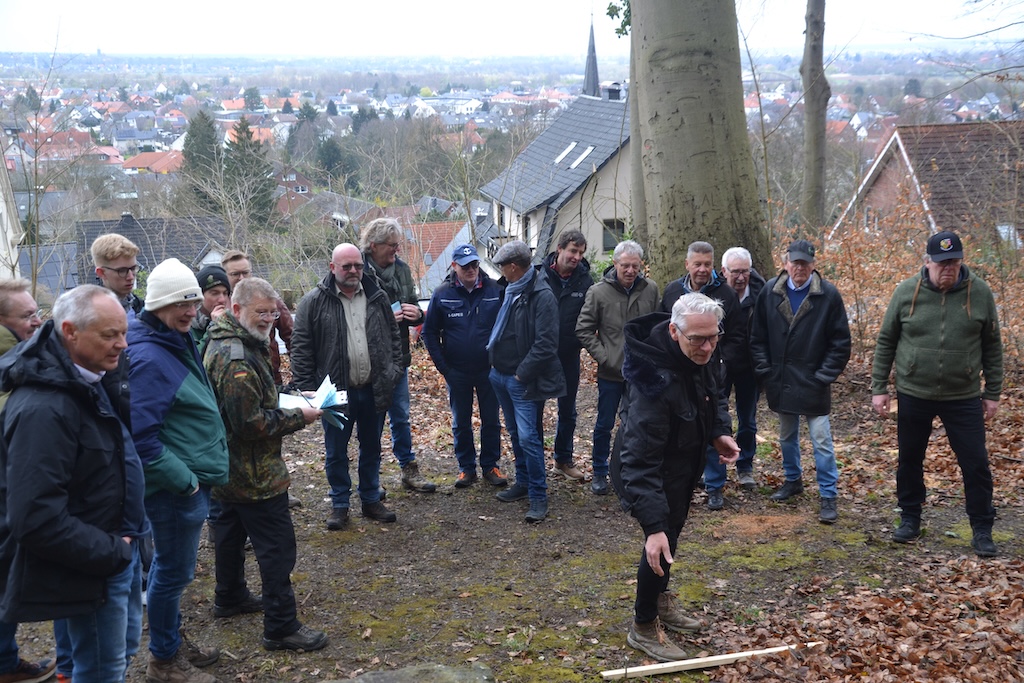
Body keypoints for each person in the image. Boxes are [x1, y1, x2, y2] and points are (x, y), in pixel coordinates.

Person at [0, 285, 148, 682]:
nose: (123, 344)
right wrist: (113, 551)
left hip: (117, 549)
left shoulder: (89, 376)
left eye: (124, 332)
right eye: (110, 335)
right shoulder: (43, 408)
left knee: (119, 656)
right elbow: (34, 517)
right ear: (70, 332)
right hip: (94, 564)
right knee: (100, 669)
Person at [204, 277, 329, 651]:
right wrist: (300, 416)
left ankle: (230, 596)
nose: (268, 319)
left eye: (273, 313)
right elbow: (250, 423)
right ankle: (281, 626)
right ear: (237, 309)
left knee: (228, 535)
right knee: (276, 548)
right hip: (254, 474)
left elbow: (255, 398)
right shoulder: (235, 357)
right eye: (261, 312)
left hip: (228, 469)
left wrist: (292, 395)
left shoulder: (239, 340)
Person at [613, 293, 739, 662]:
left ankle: (660, 599)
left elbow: (714, 394)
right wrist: (653, 526)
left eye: (714, 337)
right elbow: (639, 460)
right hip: (648, 469)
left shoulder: (703, 353)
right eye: (698, 339)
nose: (708, 347)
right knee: (659, 543)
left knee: (673, 534)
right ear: (674, 332)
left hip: (684, 463)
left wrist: (719, 431)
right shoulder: (651, 383)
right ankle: (643, 625)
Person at [127, 258, 228, 683]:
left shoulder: (173, 337)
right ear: (158, 304)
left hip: (185, 481)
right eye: (180, 304)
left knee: (172, 571)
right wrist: (186, 483)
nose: (191, 311)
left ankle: (171, 643)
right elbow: (141, 439)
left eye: (193, 301)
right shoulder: (150, 357)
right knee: (172, 573)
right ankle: (164, 661)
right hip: (173, 490)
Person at [871, 230, 1002, 557]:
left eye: (954, 262)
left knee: (976, 463)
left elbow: (992, 345)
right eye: (942, 263)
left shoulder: (980, 293)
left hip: (963, 395)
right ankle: (910, 518)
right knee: (910, 458)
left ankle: (982, 528)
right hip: (914, 391)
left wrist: (993, 391)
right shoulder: (906, 292)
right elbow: (886, 340)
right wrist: (879, 388)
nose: (948, 268)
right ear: (927, 262)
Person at [291, 244, 402, 530]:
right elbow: (301, 348)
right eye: (347, 266)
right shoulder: (313, 302)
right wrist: (307, 390)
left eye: (358, 266)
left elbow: (393, 337)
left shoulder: (377, 296)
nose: (353, 271)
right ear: (332, 268)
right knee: (336, 451)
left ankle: (370, 498)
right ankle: (340, 504)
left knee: (372, 447)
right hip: (334, 393)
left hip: (373, 388)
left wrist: (393, 372)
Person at [750, 239, 851, 524]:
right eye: (795, 263)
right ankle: (792, 480)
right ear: (786, 264)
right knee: (786, 436)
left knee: (821, 440)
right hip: (781, 379)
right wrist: (766, 371)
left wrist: (824, 376)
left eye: (805, 264)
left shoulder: (827, 295)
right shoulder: (770, 291)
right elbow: (757, 337)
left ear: (813, 265)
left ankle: (828, 494)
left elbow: (840, 343)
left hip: (814, 381)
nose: (799, 268)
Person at [659, 241, 743, 510]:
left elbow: (737, 335)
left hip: (713, 370)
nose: (703, 269)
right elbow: (664, 328)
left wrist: (720, 361)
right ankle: (688, 477)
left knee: (712, 422)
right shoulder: (672, 291)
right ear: (687, 265)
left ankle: (715, 485)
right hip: (678, 371)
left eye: (707, 264)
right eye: (697, 264)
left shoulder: (726, 294)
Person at [488, 240, 565, 523]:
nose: (500, 271)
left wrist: (521, 374)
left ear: (513, 267)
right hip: (500, 374)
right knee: (515, 433)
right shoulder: (512, 289)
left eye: (502, 266)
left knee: (528, 438)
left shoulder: (541, 295)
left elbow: (546, 344)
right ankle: (522, 483)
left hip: (521, 379)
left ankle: (538, 496)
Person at [575, 240, 659, 495]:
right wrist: (605, 357)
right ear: (615, 264)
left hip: (641, 372)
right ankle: (600, 471)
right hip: (611, 372)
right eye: (625, 266)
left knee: (637, 424)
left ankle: (629, 471)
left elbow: (657, 326)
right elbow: (583, 329)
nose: (630, 271)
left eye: (635, 266)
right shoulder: (598, 292)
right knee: (604, 424)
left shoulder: (650, 289)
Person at [360, 218, 437, 494]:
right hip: (367, 361)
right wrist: (382, 320)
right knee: (372, 421)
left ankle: (408, 468)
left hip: (398, 357)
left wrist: (418, 314)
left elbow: (413, 304)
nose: (397, 250)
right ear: (374, 245)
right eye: (392, 245)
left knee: (401, 416)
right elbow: (349, 317)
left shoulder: (402, 270)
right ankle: (371, 479)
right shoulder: (357, 271)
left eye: (398, 244)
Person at [421, 244, 505, 488]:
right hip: (457, 371)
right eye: (465, 265)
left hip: (489, 369)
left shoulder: (495, 290)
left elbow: (508, 327)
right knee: (461, 422)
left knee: (491, 420)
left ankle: (490, 465)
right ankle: (466, 468)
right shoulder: (442, 294)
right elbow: (429, 332)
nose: (471, 269)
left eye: (475, 264)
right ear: (454, 266)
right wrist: (444, 368)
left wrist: (501, 361)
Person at [704, 247, 766, 505]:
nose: (740, 277)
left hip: (749, 367)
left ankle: (745, 465)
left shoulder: (763, 294)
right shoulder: (713, 293)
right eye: (735, 272)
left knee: (748, 420)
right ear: (723, 271)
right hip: (718, 366)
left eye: (745, 272)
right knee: (714, 418)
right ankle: (713, 476)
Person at [536, 230, 592, 482]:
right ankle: (535, 462)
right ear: (559, 249)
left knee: (568, 411)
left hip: (569, 354)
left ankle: (563, 459)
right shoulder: (539, 276)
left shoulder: (585, 281)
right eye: (572, 251)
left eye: (580, 252)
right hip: (540, 355)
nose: (576, 257)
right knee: (535, 411)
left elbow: (590, 318)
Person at [221, 250, 293, 387]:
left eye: (245, 272)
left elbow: (293, 338)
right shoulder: (220, 305)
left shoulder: (270, 300)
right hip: (234, 381)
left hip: (271, 379)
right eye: (235, 274)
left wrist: (299, 379)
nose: (241, 278)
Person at [91, 233, 144, 315]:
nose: (130, 277)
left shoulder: (142, 308)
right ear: (101, 273)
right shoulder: (89, 314)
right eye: (122, 271)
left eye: (133, 268)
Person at [192, 264, 232, 352]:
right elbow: (194, 357)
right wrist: (213, 327)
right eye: (215, 293)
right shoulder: (186, 324)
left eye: (225, 293)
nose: (222, 300)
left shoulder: (233, 322)